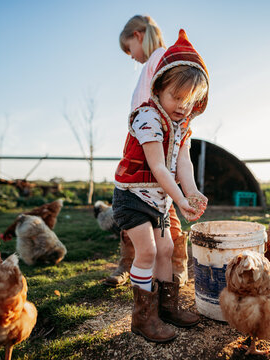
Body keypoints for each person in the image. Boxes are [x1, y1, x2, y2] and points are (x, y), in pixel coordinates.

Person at [113, 29, 209, 342]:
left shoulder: (182, 126)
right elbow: (156, 165)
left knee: (167, 248)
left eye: (190, 100)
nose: (183, 106)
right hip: (133, 197)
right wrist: (180, 199)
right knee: (147, 251)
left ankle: (167, 307)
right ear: (158, 89)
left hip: (159, 199)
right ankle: (143, 318)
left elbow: (184, 163)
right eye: (176, 97)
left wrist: (191, 192)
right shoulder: (147, 118)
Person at [106, 15, 189, 288]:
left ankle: (173, 268)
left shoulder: (159, 58)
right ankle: (151, 270)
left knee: (164, 212)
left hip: (151, 144)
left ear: (138, 35)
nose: (132, 56)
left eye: (129, 48)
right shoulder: (156, 60)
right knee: (150, 214)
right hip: (146, 140)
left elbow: (156, 104)